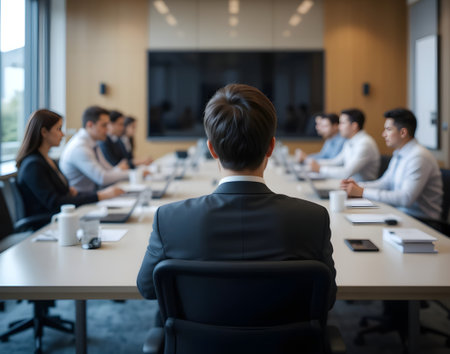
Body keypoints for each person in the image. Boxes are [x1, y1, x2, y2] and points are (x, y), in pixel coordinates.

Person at [137, 83, 336, 308]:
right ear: (271, 147)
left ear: (211, 149)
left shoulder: (169, 219)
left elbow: (148, 288)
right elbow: (326, 298)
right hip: (286, 343)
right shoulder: (313, 218)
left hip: (198, 343)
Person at [16, 109, 123, 220]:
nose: (63, 134)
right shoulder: (33, 165)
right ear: (44, 132)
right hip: (47, 224)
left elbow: (66, 194)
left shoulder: (48, 160)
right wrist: (100, 196)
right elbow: (56, 203)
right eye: (58, 129)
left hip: (63, 218)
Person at [341, 108, 443, 219]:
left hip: (422, 222)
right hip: (400, 213)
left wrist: (363, 192)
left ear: (403, 132)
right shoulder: (399, 152)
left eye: (388, 129)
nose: (384, 134)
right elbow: (385, 183)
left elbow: (405, 198)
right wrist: (358, 186)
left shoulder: (419, 157)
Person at [60, 106, 130, 193]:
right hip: (82, 199)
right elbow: (102, 178)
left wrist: (119, 170)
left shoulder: (93, 143)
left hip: (94, 194)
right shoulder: (79, 148)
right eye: (104, 125)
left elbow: (108, 170)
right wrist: (132, 174)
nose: (108, 129)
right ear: (90, 125)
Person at [309, 108, 380, 181]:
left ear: (354, 126)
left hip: (362, 188)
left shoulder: (365, 143)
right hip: (348, 184)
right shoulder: (349, 141)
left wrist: (320, 169)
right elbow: (336, 162)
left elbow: (347, 172)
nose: (339, 127)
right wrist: (316, 163)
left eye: (342, 123)